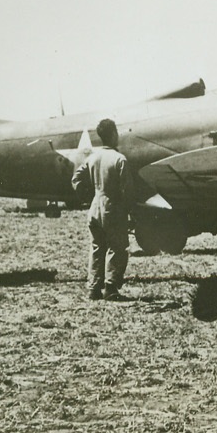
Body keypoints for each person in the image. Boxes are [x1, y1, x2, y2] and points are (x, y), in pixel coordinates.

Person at [71, 118, 133, 300]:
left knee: (97, 247)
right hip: (112, 209)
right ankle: (111, 287)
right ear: (113, 135)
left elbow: (76, 179)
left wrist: (87, 197)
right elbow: (128, 191)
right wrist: (127, 211)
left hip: (95, 208)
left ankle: (93, 288)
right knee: (117, 248)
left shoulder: (93, 157)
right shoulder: (120, 159)